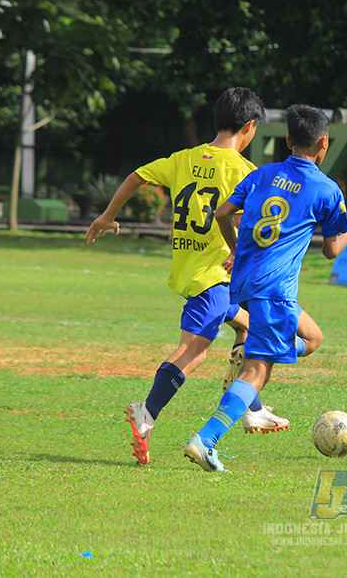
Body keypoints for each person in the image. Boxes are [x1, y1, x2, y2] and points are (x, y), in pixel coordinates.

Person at [85, 87, 289, 466]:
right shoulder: (246, 172)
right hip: (211, 277)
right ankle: (146, 412)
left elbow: (136, 177)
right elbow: (250, 224)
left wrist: (108, 215)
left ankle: (252, 407)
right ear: (250, 126)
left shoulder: (183, 158)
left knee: (250, 327)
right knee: (193, 351)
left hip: (193, 268)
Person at [184, 104, 347, 472]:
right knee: (257, 373)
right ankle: (205, 440)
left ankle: (256, 353)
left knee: (312, 338)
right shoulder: (327, 190)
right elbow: (332, 249)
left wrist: (239, 252)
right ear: (324, 143)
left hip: (247, 281)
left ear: (288, 140)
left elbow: (222, 214)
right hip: (275, 289)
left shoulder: (263, 173)